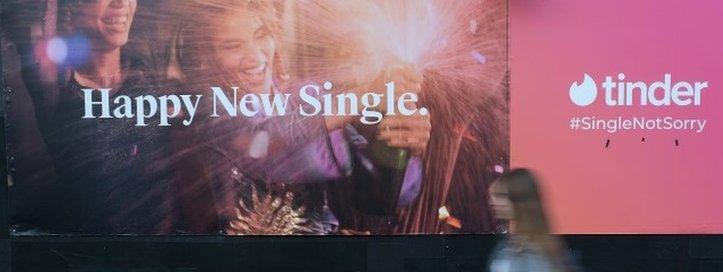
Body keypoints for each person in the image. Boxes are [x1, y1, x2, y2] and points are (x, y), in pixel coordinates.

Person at [172, 0, 431, 235]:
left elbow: (373, 198)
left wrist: (398, 146)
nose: (256, 57)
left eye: (261, 35)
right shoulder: (206, 113)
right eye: (233, 46)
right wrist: (362, 97)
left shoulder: (307, 98)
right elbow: (263, 144)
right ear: (205, 57)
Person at [11, 0, 178, 234]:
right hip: (100, 259)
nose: (121, 3)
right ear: (71, 8)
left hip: (168, 253)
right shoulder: (57, 94)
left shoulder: (151, 71)